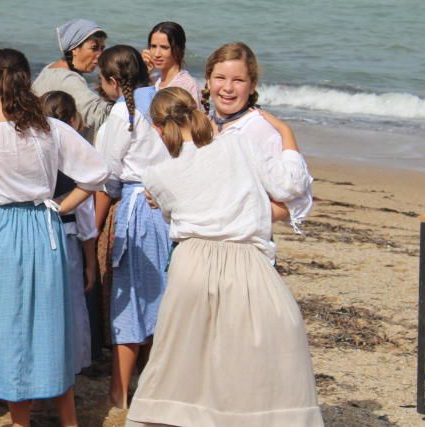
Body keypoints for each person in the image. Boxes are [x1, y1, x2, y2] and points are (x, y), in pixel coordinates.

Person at [127, 87, 322, 427]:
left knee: (182, 362)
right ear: (196, 112)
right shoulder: (237, 144)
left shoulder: (156, 175)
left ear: (158, 129)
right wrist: (287, 135)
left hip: (191, 264)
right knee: (260, 361)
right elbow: (290, 186)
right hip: (246, 261)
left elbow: (174, 214)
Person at [0, 48, 109, 427]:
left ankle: (21, 421)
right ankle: (68, 420)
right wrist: (60, 205)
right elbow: (96, 173)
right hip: (42, 226)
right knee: (51, 324)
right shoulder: (51, 128)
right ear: (28, 80)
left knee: (5, 326)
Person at [93, 45, 172, 409]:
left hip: (136, 209)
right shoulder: (162, 102)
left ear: (112, 81)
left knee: (129, 303)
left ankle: (119, 392)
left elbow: (105, 176)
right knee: (160, 301)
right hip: (166, 209)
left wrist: (92, 227)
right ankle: (155, 384)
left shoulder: (121, 115)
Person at [202, 42, 314, 233]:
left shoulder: (260, 130)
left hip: (244, 245)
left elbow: (298, 196)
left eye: (238, 80)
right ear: (208, 81)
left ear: (252, 85)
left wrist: (239, 218)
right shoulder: (200, 126)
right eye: (220, 78)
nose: (228, 88)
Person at [40, 90, 98, 375]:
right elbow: (86, 223)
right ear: (73, 120)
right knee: (72, 302)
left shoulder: (37, 157)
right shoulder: (76, 163)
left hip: (38, 235)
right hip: (69, 237)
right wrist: (92, 263)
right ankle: (74, 363)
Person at [32, 19, 112, 138]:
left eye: (102, 49)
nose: (100, 54)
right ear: (74, 49)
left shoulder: (50, 68)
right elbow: (100, 116)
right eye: (94, 48)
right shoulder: (69, 80)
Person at [142, 21, 201, 108]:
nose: (157, 54)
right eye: (153, 46)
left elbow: (197, 120)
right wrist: (143, 72)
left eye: (164, 47)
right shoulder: (153, 80)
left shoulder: (188, 85)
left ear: (178, 49)